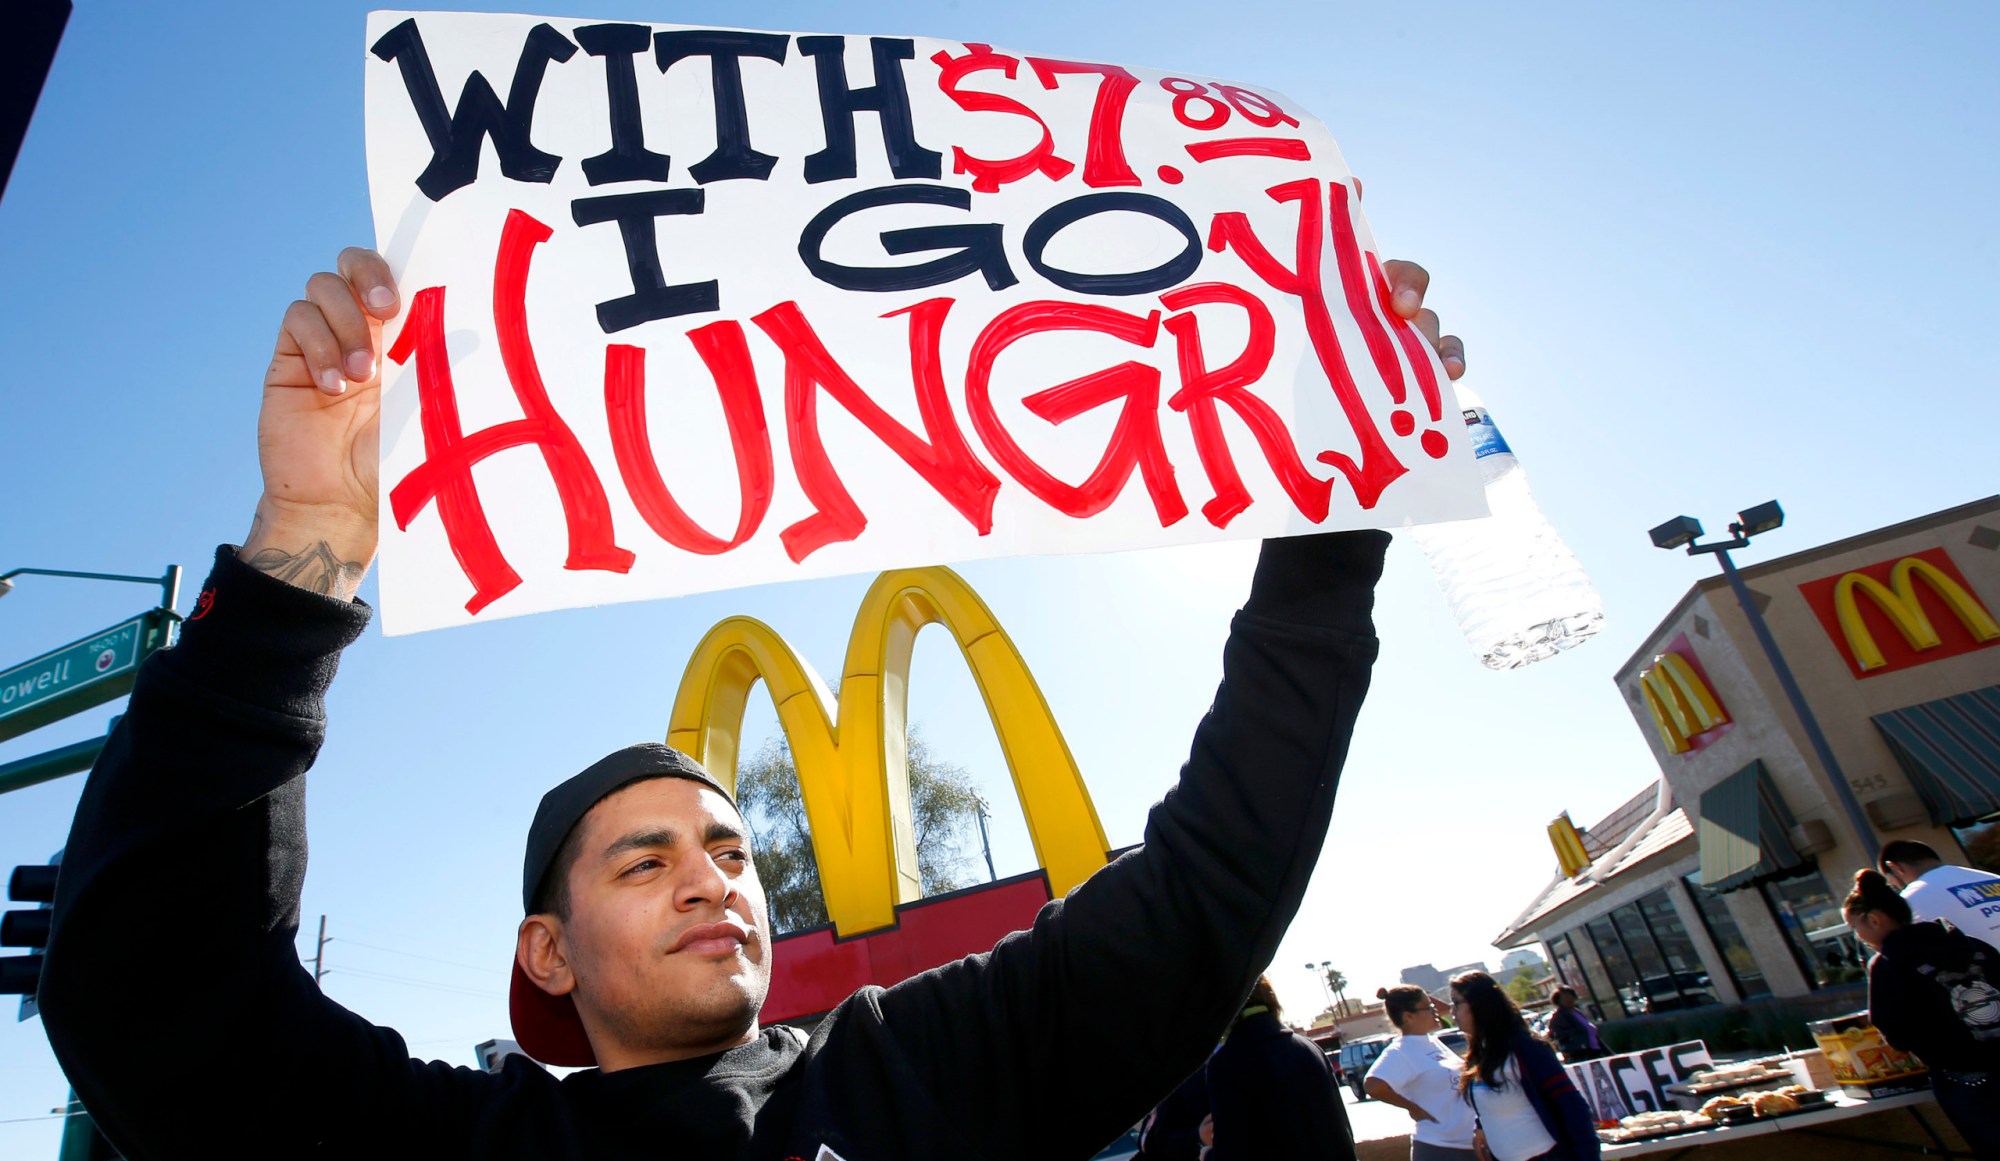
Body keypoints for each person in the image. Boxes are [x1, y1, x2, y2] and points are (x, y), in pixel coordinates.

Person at [37, 246, 1463, 1159]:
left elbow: (1218, 870)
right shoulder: (446, 1145)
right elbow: (154, 988)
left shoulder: (930, 1072)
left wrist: (1334, 514)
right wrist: (305, 544)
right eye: (644, 859)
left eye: (727, 849)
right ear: (547, 951)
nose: (715, 880)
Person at [1843, 869, 2000, 1160]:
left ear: (1875, 919)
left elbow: (1896, 1033)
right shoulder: (1973, 945)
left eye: (1855, 928)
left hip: (1966, 1079)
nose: (1859, 937)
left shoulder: (1888, 964)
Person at [1450, 970, 1599, 1161]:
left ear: (1481, 1004)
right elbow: (1493, 1102)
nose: (1452, 1011)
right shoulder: (1480, 1053)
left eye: (1456, 1003)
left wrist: (1587, 1156)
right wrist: (1481, 1126)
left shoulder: (1526, 1048)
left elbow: (1572, 1105)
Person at [1202, 976, 1352, 1161]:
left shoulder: (1226, 1063)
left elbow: (1233, 1151)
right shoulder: (1310, 1048)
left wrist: (1207, 1155)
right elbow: (1342, 1135)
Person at [1365, 984, 1478, 1161]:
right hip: (1439, 1148)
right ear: (1408, 1016)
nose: (1435, 1011)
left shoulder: (1431, 1042)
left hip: (1466, 1145)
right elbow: (1373, 1085)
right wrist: (1412, 1108)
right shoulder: (1400, 1051)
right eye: (1428, 1007)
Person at [1880, 839, 2000, 948]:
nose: (1897, 889)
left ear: (1895, 867)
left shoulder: (1910, 899)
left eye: (1892, 884)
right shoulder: (1992, 877)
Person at [1544, 987, 1606, 1063]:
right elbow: (1558, 1035)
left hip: (1595, 1050)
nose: (1569, 999)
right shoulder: (1559, 1017)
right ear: (1558, 1001)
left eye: (1570, 996)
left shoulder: (1576, 1012)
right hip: (1581, 1055)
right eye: (1565, 997)